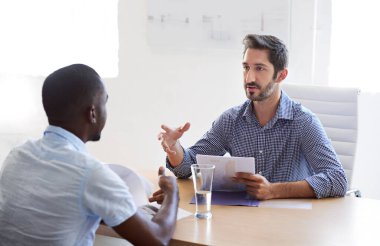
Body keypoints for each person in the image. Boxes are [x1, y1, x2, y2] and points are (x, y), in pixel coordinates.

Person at [0, 64, 179, 246]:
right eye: (105, 102)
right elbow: (157, 240)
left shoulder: (17, 155)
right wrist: (172, 193)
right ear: (92, 113)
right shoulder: (91, 173)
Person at [158, 34, 348, 200]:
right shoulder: (231, 120)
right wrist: (174, 148)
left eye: (259, 68)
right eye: (246, 67)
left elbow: (337, 179)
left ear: (281, 75)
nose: (249, 77)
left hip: (290, 224)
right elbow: (190, 166)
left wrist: (273, 190)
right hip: (244, 218)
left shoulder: (303, 122)